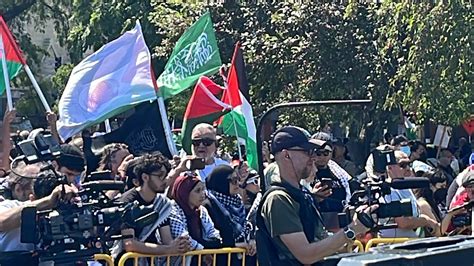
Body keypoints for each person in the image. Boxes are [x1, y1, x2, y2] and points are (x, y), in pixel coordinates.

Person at [257, 126, 376, 265]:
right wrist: (353, 229)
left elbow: (319, 241)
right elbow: (306, 255)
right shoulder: (278, 199)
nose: (313, 157)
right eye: (307, 152)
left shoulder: (301, 195)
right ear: (286, 155)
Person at [112, 153, 190, 265]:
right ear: (145, 177)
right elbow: (129, 244)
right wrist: (168, 249)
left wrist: (179, 245)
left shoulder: (161, 203)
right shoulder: (127, 202)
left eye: (166, 175)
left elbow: (167, 240)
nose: (165, 180)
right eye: (160, 176)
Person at [378, 150, 440, 238]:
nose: (407, 168)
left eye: (409, 164)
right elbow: (403, 222)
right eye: (402, 165)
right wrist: (425, 221)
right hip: (392, 246)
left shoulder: (405, 187)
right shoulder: (389, 190)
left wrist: (432, 222)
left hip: (411, 243)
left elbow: (414, 215)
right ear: (390, 167)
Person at [169, 173, 221, 265]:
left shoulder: (201, 210)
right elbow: (184, 239)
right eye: (197, 191)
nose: (203, 194)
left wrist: (205, 246)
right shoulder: (173, 210)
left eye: (203, 190)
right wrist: (204, 248)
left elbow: (214, 235)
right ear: (185, 193)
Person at [204, 165, 256, 251]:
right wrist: (234, 245)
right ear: (221, 182)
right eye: (233, 181)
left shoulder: (238, 202)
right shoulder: (208, 205)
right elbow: (212, 237)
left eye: (238, 180)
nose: (237, 184)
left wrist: (250, 241)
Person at [413, 171, 451, 236]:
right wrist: (450, 214)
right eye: (441, 187)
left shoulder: (437, 202)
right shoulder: (423, 204)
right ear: (431, 186)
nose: (443, 190)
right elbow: (438, 232)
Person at [443, 165, 474, 235]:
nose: (472, 189)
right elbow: (445, 231)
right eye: (469, 187)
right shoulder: (460, 205)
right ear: (465, 189)